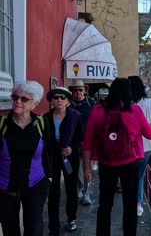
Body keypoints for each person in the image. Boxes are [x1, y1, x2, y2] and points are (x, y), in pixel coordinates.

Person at [82, 77, 151, 235]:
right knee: (129, 205)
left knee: (105, 205)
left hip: (106, 162)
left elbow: (87, 142)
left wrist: (87, 168)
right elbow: (150, 135)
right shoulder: (134, 109)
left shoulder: (98, 110)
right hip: (130, 161)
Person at [0, 80, 51, 236]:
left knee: (34, 229)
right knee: (10, 230)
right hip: (5, 188)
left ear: (34, 104)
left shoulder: (41, 123)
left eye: (24, 99)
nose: (18, 102)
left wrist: (49, 178)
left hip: (35, 185)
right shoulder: (2, 124)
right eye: (15, 97)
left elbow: (49, 153)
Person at [45, 87, 82, 234]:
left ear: (67, 100)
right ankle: (53, 225)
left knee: (71, 189)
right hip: (52, 158)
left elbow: (80, 137)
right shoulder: (46, 118)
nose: (59, 100)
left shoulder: (75, 116)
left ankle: (72, 219)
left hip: (69, 158)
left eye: (62, 97)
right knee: (53, 191)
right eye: (56, 98)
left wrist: (72, 148)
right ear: (51, 101)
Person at [128, 76, 151, 217]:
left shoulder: (124, 103)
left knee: (129, 175)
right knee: (139, 176)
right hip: (146, 146)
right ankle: (138, 204)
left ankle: (131, 201)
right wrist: (143, 127)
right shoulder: (148, 103)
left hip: (127, 146)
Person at [69, 79, 96, 205]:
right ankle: (79, 186)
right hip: (73, 142)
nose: (78, 93)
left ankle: (87, 193)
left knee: (87, 168)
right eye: (75, 90)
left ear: (84, 91)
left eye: (80, 90)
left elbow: (96, 120)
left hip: (88, 141)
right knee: (75, 167)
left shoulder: (91, 103)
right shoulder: (69, 105)